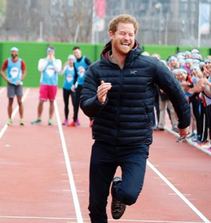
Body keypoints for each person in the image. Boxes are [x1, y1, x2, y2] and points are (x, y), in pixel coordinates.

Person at [79, 14, 191, 223]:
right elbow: (86, 106)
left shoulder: (150, 66)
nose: (127, 38)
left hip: (135, 145)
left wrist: (184, 122)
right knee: (95, 205)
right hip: (104, 143)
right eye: (122, 33)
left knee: (129, 194)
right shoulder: (96, 69)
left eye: (131, 34)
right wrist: (98, 100)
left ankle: (118, 189)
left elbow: (176, 91)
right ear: (111, 34)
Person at [31, 46, 62, 125]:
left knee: (52, 101)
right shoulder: (42, 60)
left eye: (51, 52)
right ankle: (38, 117)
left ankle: (50, 118)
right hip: (44, 83)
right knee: (41, 101)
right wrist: (47, 60)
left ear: (54, 52)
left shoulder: (57, 61)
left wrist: (53, 60)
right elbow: (40, 69)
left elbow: (58, 70)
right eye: (48, 51)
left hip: (53, 84)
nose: (50, 53)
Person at [0, 47, 27, 126]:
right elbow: (1, 71)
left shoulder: (21, 61)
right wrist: (6, 79)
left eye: (15, 52)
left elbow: (25, 72)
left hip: (18, 84)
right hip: (11, 83)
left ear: (17, 53)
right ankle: (9, 119)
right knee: (10, 102)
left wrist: (21, 79)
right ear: (11, 53)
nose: (14, 53)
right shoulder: (7, 61)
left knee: (19, 101)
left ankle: (21, 119)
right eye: (12, 52)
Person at [70, 46, 92, 126]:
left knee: (88, 103)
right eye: (75, 53)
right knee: (76, 103)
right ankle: (74, 120)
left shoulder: (85, 59)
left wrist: (85, 69)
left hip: (87, 84)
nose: (76, 54)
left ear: (80, 52)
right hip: (79, 85)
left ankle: (91, 120)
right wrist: (73, 84)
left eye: (77, 52)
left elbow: (92, 66)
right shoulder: (75, 63)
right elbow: (76, 75)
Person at [59, 54, 76, 125]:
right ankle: (66, 119)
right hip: (65, 88)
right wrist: (64, 64)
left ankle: (75, 118)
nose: (71, 61)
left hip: (73, 89)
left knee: (74, 103)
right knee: (66, 104)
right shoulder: (66, 67)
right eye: (69, 60)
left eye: (72, 60)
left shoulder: (76, 68)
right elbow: (60, 73)